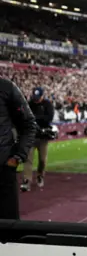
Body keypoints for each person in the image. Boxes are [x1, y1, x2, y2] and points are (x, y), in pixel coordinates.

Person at [0, 77, 37, 219]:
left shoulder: (6, 88)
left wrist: (17, 157)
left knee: (8, 233)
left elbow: (29, 124)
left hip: (3, 172)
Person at [21, 87, 54, 192]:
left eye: (38, 98)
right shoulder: (29, 104)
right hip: (31, 136)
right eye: (35, 97)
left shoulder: (47, 105)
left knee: (42, 160)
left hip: (43, 136)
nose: (36, 100)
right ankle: (26, 180)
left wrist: (35, 118)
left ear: (42, 96)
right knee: (28, 159)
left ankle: (40, 175)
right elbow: (25, 117)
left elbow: (49, 118)